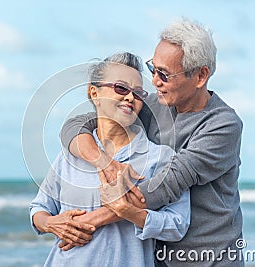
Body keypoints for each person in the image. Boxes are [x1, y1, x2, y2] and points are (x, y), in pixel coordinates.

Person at [60, 19, 244, 266]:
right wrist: (102, 161)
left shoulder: (223, 124)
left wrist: (84, 223)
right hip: (156, 258)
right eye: (153, 69)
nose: (155, 81)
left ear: (200, 76)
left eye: (164, 74)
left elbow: (166, 185)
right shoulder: (152, 107)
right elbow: (77, 125)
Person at [29, 52, 190, 266]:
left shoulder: (159, 158)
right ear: (94, 93)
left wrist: (129, 212)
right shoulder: (70, 154)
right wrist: (51, 223)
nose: (130, 97)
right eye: (121, 88)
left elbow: (177, 224)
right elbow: (39, 208)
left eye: (138, 93)